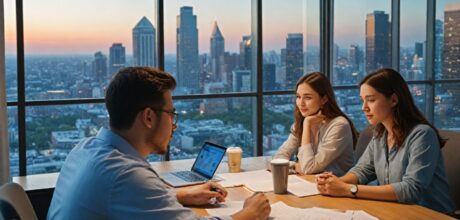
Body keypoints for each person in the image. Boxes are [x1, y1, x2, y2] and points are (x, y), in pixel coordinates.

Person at [47, 67, 271, 220]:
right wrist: (248, 215)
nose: (174, 125)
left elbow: (123, 201)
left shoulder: (85, 148)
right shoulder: (125, 174)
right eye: (171, 114)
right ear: (148, 117)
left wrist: (180, 195)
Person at [316, 68, 455, 214]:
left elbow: (411, 190)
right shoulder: (379, 134)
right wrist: (335, 183)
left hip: (429, 215)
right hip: (394, 212)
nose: (364, 107)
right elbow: (362, 171)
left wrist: (349, 189)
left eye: (371, 100)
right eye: (362, 100)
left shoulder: (422, 135)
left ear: (394, 100)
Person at [274, 72, 357, 176]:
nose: (301, 103)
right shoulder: (300, 123)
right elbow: (278, 158)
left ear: (324, 99)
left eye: (308, 97)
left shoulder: (339, 125)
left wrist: (307, 124)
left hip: (337, 188)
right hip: (310, 184)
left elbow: (309, 168)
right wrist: (295, 165)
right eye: (298, 97)